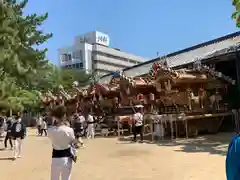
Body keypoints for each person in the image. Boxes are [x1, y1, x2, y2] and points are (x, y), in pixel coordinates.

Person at [48, 105, 76, 180]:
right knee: (66, 178)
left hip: (55, 157)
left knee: (54, 178)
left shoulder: (50, 130)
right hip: (66, 157)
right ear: (64, 116)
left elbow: (54, 129)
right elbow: (73, 142)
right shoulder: (69, 130)